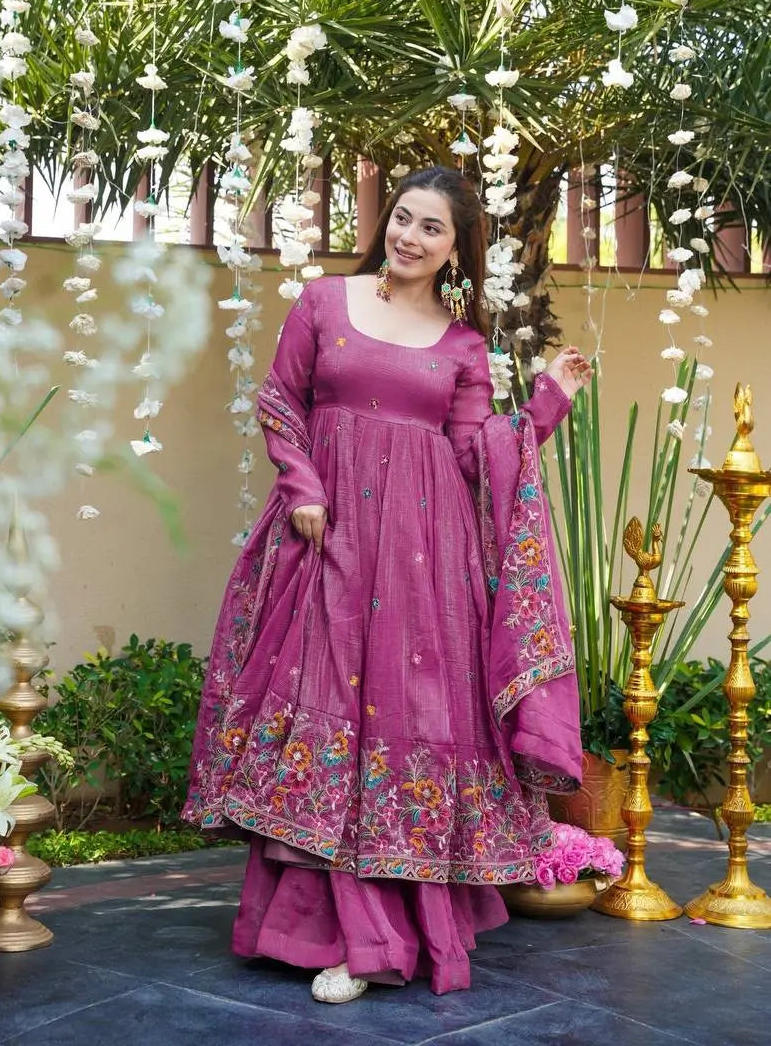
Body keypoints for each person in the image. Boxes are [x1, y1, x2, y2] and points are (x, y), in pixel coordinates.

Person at [183, 166, 592, 1002]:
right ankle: (316, 929)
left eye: (430, 228)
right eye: (402, 218)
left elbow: (476, 454)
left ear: (455, 250)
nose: (408, 236)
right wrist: (302, 487)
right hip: (324, 538)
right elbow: (279, 400)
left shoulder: (462, 345)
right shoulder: (323, 302)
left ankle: (374, 939)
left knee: (402, 723)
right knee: (322, 705)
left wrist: (548, 401)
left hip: (421, 563)